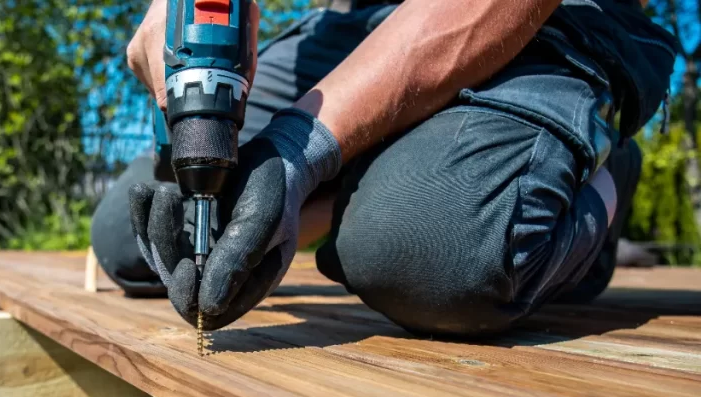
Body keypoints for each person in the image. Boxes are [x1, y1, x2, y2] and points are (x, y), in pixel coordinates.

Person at [90, 0, 677, 337]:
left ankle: (598, 165)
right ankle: (385, 152)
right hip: (358, 20)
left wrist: (297, 148)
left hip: (544, 18)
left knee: (431, 251)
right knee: (135, 238)